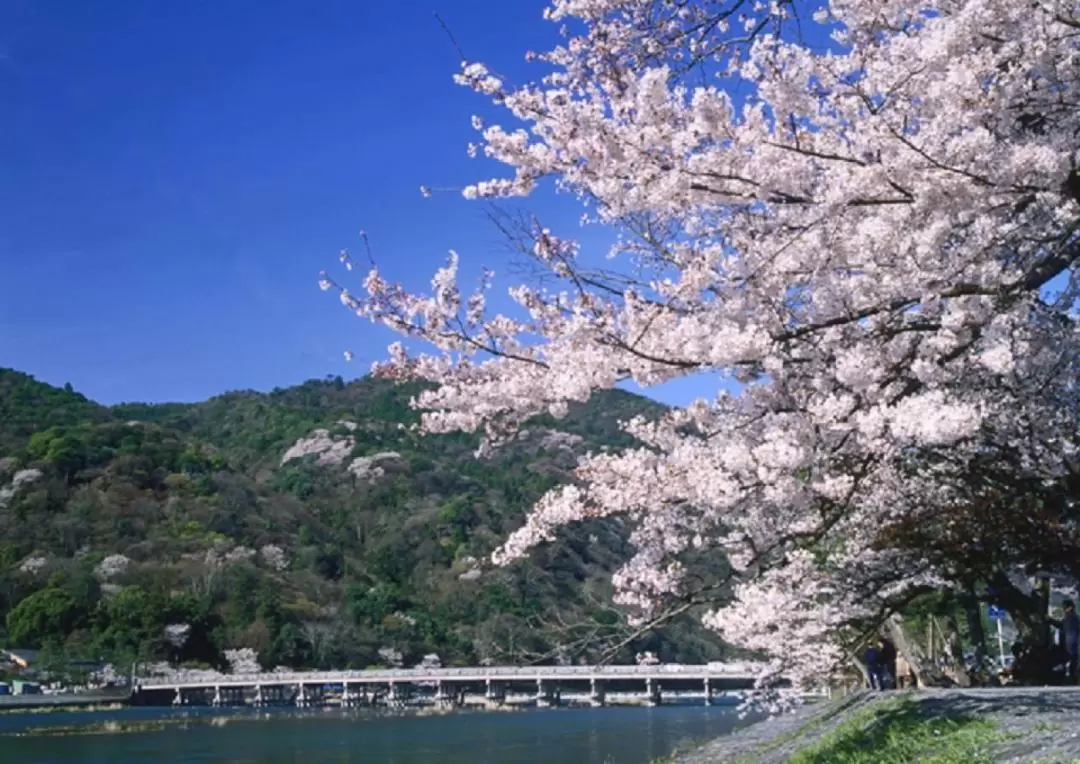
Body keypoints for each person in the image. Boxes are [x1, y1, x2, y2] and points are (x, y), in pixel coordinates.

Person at [1058, 600, 1080, 683]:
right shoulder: (1068, 618)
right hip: (1068, 647)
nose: (1064, 609)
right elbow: (1062, 627)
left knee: (1072, 665)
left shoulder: (1072, 619)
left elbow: (1071, 633)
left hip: (1071, 647)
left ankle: (1073, 680)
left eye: (1065, 607)